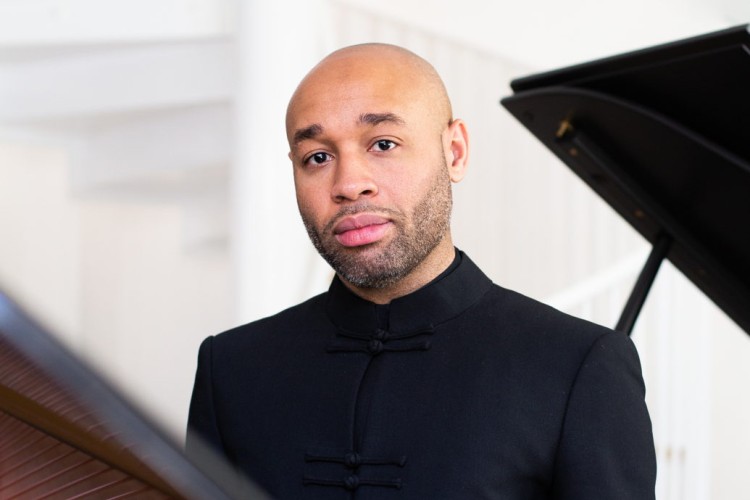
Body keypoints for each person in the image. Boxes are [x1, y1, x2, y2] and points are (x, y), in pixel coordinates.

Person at [186, 43, 657, 499]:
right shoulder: (229, 370)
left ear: (454, 152)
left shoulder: (578, 367)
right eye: (318, 157)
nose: (349, 185)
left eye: (384, 143)